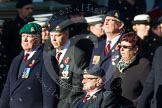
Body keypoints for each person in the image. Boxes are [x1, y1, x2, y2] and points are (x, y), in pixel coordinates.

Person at [0, 23, 59, 108]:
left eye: (29, 36)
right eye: (23, 36)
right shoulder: (16, 59)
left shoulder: (46, 59)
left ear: (38, 39)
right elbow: (7, 89)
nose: (25, 40)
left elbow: (49, 93)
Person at [48, 15, 88, 108]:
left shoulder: (77, 55)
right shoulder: (49, 55)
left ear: (66, 34)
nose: (53, 39)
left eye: (57, 36)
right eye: (51, 36)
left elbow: (76, 87)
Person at [110, 32, 151, 107]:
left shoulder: (143, 65)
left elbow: (148, 92)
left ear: (135, 49)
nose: (121, 49)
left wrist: (132, 105)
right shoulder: (118, 63)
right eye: (120, 46)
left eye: (125, 47)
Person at [89, 10, 125, 89]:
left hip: (116, 93)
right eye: (105, 20)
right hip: (97, 93)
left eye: (110, 20)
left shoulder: (125, 44)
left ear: (120, 25)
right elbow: (91, 71)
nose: (106, 23)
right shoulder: (99, 45)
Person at [2, 0, 34, 71]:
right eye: (27, 8)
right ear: (19, 10)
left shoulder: (33, 24)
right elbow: (6, 45)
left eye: (32, 8)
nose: (30, 11)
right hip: (15, 59)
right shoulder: (11, 25)